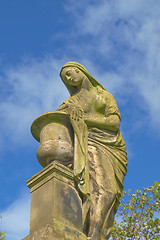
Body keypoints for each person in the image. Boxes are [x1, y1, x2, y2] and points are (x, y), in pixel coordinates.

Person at [57, 62, 127, 240]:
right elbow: (56, 122)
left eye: (70, 73)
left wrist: (87, 119)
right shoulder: (71, 102)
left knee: (110, 192)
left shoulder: (103, 96)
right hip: (89, 143)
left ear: (80, 71)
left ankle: (98, 232)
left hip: (113, 147)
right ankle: (93, 232)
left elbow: (114, 123)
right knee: (100, 189)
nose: (69, 78)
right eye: (66, 78)